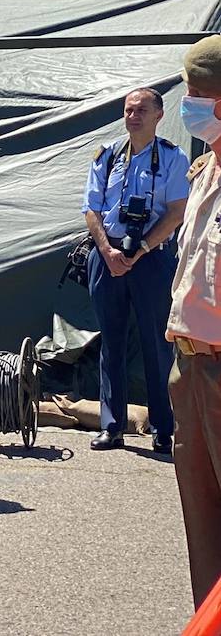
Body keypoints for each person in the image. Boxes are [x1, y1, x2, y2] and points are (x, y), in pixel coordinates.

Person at [82, 87, 188, 453]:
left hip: (152, 257)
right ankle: (112, 427)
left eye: (142, 109)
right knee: (110, 342)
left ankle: (162, 427)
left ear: (160, 115)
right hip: (107, 254)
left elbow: (176, 212)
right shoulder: (107, 156)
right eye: (129, 110)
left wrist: (141, 248)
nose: (134, 116)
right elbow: (91, 209)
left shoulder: (174, 158)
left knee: (156, 343)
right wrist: (107, 250)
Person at [165, 34, 221, 610]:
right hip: (190, 367)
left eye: (198, 94)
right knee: (203, 525)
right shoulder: (204, 171)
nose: (189, 105)